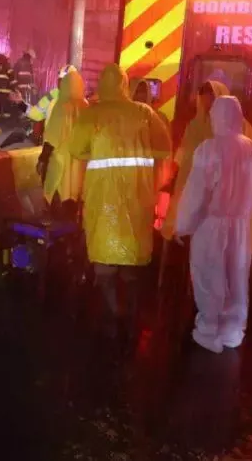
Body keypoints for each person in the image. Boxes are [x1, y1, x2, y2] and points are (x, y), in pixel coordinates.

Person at [68, 64, 172, 337]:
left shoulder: (93, 114)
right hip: (138, 196)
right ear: (125, 85)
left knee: (104, 254)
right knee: (132, 256)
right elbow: (164, 147)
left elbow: (76, 149)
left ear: (103, 85)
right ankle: (132, 309)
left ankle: (114, 310)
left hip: (103, 196)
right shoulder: (144, 113)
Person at [174, 96, 252, 353]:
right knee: (237, 275)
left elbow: (196, 193)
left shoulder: (209, 149)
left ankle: (208, 330)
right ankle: (232, 330)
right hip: (241, 226)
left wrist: (183, 225)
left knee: (209, 274)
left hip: (211, 224)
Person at [163, 81, 252, 240]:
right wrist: (172, 178)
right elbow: (183, 153)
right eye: (204, 98)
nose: (207, 103)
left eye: (211, 99)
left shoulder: (238, 125)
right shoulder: (194, 124)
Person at [36, 66, 88, 211]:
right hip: (79, 166)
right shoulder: (86, 107)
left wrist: (42, 159)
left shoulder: (61, 106)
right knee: (74, 203)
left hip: (60, 164)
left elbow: (52, 137)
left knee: (56, 200)